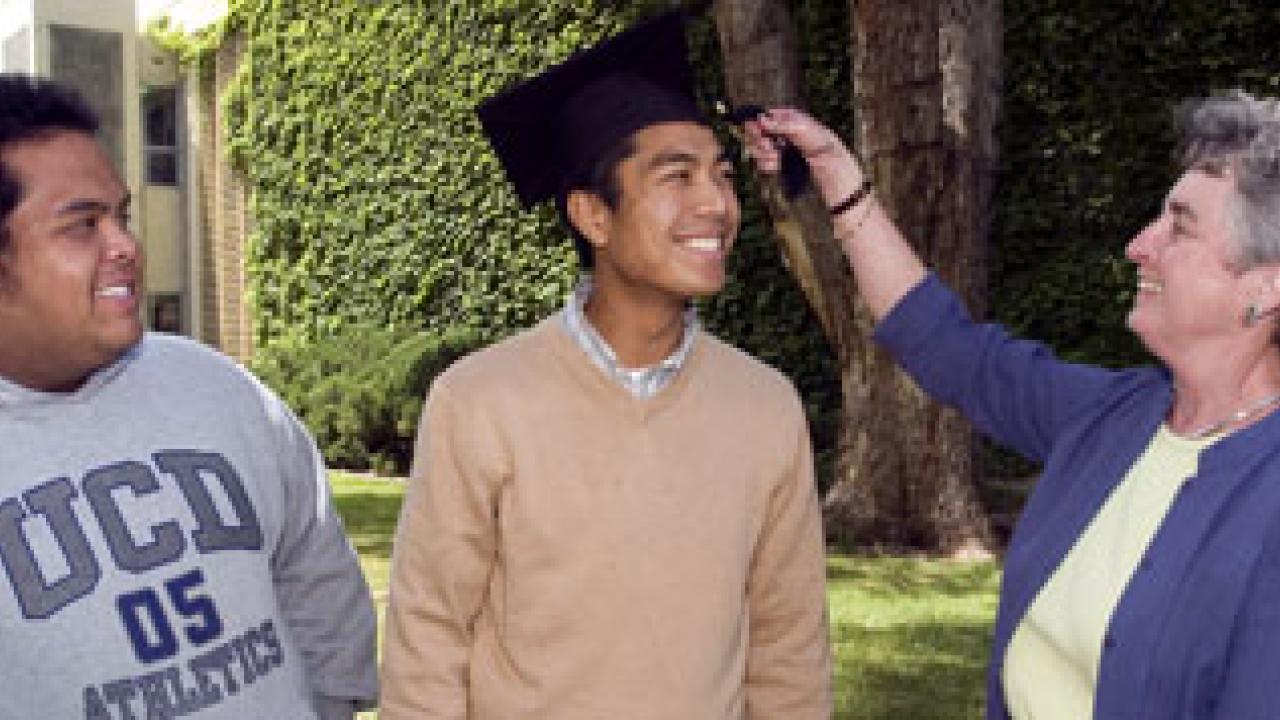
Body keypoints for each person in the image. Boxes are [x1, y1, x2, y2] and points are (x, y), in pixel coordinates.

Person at [745, 92, 1280, 718]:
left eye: (1180, 226)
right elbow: (948, 346)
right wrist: (838, 174)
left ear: (1265, 286)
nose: (1140, 244)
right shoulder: (1115, 418)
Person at [380, 11, 832, 719]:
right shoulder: (480, 403)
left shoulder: (766, 408)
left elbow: (789, 647)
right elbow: (428, 641)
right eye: (676, 177)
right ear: (593, 216)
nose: (716, 204)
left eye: (721, 174)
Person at [0, 74, 377, 719]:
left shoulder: (218, 390)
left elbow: (314, 572)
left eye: (120, 217)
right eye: (82, 225)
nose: (125, 246)